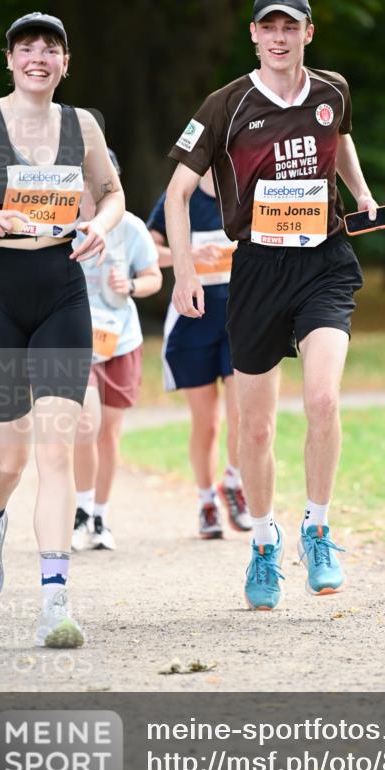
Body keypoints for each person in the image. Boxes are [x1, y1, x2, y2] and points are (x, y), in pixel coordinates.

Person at [165, 0, 378, 610]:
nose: (280, 37)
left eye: (291, 27)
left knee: (323, 398)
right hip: (257, 268)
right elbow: (177, 193)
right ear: (254, 35)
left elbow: (341, 141)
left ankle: (318, 531)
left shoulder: (333, 90)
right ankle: (264, 542)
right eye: (269, 27)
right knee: (253, 432)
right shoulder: (225, 104)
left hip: (324, 262)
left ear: (308, 32)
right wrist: (184, 272)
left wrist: (362, 194)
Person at [0, 12, 124, 648]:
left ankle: (55, 603)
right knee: (10, 456)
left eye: (50, 49)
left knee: (57, 449)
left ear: (65, 64)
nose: (38, 57)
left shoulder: (82, 126)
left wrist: (101, 222)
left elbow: (113, 193)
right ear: (10, 60)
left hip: (60, 290)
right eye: (26, 48)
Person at [147, 170, 251, 539]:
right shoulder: (180, 195)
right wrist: (188, 254)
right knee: (207, 423)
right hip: (192, 320)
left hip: (240, 317)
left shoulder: (248, 188)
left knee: (243, 414)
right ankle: (206, 501)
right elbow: (148, 251)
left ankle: (233, 482)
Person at [72, 150, 162, 551]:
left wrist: (132, 286)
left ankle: (100, 517)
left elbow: (153, 277)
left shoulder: (131, 227)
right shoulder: (61, 227)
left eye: (103, 180)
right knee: (85, 425)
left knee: (108, 434)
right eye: (87, 179)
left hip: (120, 340)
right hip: (76, 341)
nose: (93, 188)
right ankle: (80, 512)